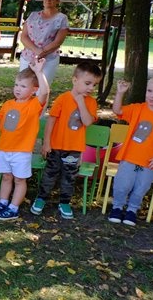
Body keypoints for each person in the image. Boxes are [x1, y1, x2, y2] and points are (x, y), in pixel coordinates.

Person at [30, 62, 102, 219]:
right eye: (87, 83)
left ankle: (64, 202)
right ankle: (41, 198)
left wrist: (81, 103)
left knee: (69, 177)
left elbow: (87, 122)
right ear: (75, 80)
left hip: (74, 148)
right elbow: (51, 121)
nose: (91, 88)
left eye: (94, 85)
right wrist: (46, 143)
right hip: (55, 146)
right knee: (50, 174)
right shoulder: (63, 98)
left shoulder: (91, 102)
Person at [0, 58, 50, 221]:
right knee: (6, 177)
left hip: (21, 151)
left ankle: (13, 208)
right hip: (4, 148)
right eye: (16, 85)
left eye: (23, 86)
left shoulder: (33, 105)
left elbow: (45, 92)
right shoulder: (7, 104)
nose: (18, 89)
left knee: (20, 179)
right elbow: (0, 122)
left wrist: (39, 72)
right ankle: (3, 202)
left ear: (34, 90)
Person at [107, 74, 153, 226]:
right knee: (122, 185)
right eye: (149, 91)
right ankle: (117, 207)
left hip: (150, 162)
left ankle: (132, 210)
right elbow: (117, 110)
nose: (152, 95)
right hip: (129, 157)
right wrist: (120, 93)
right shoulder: (137, 108)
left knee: (141, 188)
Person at [19, 0, 69, 85]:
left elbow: (57, 42)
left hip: (48, 59)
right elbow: (24, 36)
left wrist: (41, 54)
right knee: (24, 86)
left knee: (42, 88)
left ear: (58, 1)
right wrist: (37, 51)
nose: (48, 0)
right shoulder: (33, 15)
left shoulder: (62, 18)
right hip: (27, 57)